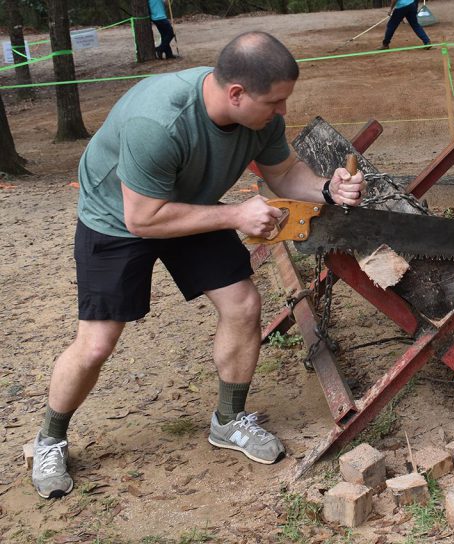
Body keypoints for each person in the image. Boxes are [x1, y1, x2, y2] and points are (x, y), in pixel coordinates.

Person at [30, 31, 366, 499]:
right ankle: (49, 439)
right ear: (235, 93)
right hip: (119, 218)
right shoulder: (159, 121)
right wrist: (235, 214)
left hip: (192, 203)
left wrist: (330, 189)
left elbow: (286, 174)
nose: (283, 112)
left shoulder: (259, 117)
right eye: (276, 102)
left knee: (243, 305)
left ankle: (228, 421)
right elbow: (144, 217)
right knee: (96, 343)